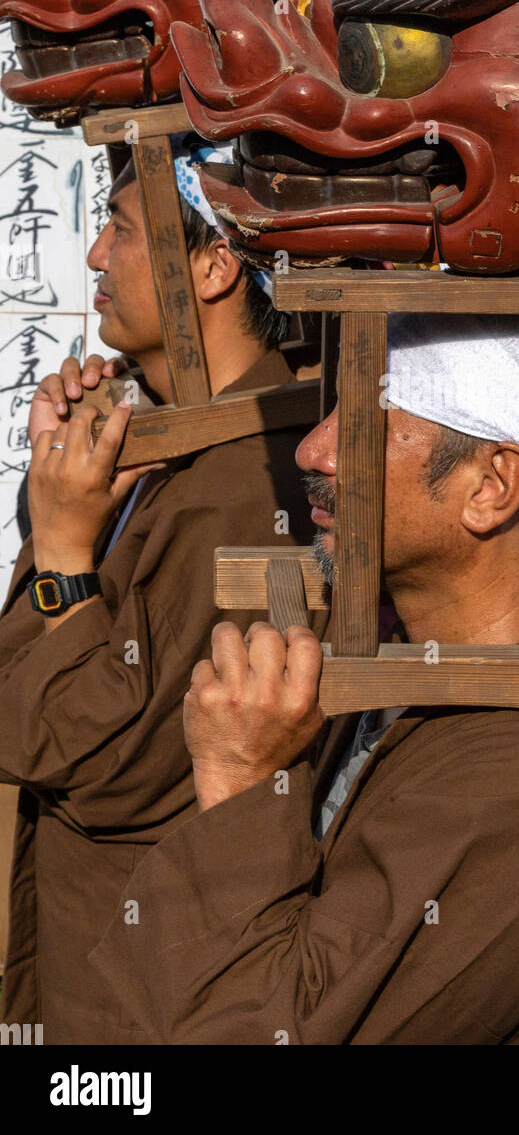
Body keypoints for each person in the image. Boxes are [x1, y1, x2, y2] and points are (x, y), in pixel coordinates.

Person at [92, 313, 519, 1045]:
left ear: (492, 486)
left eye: (367, 420)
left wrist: (241, 784)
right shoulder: (403, 672)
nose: (313, 448)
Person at [0, 140, 314, 1044]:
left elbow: (95, 766)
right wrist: (64, 501)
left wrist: (63, 544)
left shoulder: (246, 481)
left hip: (146, 986)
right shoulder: (168, 438)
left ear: (215, 263)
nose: (97, 255)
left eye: (122, 230)